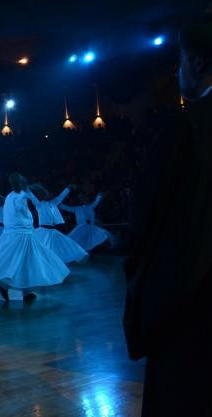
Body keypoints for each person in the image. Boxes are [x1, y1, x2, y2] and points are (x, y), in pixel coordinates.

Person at [124, 14, 212, 417]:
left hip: (192, 313)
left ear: (196, 62)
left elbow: (149, 221)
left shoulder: (187, 129)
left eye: (179, 60)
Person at [0, 173, 69, 302]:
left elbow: (30, 203)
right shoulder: (18, 196)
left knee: (25, 261)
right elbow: (25, 204)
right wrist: (27, 192)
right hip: (22, 234)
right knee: (27, 261)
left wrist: (29, 191)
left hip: (17, 233)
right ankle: (9, 286)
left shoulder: (10, 196)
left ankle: (24, 291)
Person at [30, 184, 88, 263]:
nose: (47, 196)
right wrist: (26, 188)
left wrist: (68, 188)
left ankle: (51, 265)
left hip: (52, 231)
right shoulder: (39, 204)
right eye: (43, 194)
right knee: (42, 249)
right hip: (43, 231)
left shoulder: (53, 203)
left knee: (62, 246)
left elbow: (61, 197)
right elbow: (30, 195)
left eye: (46, 194)